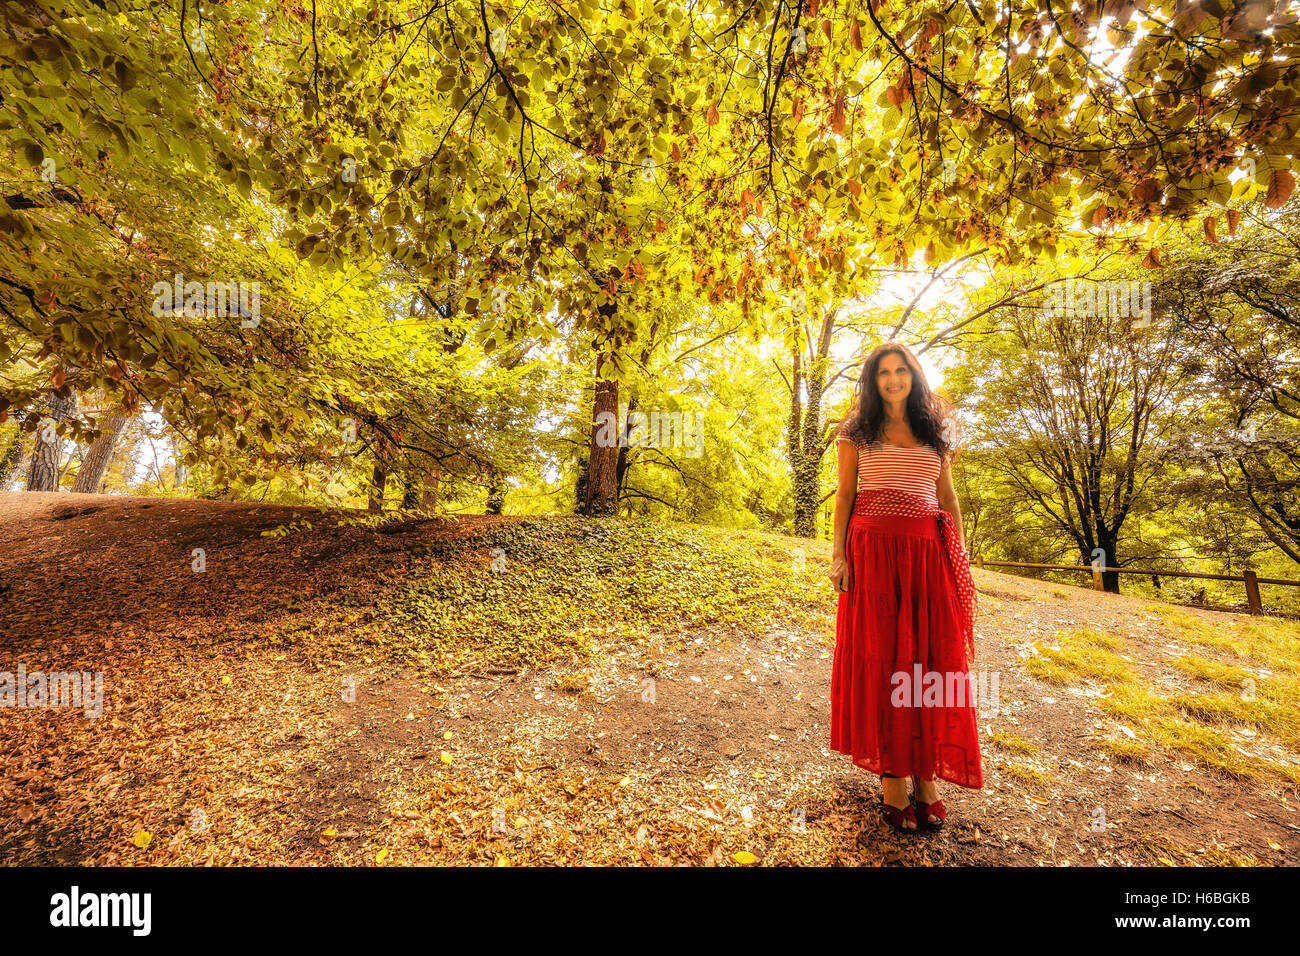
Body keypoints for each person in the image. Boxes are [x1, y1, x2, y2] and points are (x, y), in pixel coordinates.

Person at [827, 342, 983, 833]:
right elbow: (846, 495)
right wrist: (838, 555)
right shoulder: (856, 431)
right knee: (884, 659)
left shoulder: (938, 430)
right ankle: (892, 777)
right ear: (872, 381)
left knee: (930, 662)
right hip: (872, 553)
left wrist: (960, 559)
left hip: (927, 557)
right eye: (884, 373)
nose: (893, 379)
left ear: (915, 375)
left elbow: (947, 496)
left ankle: (926, 775)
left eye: (902, 370)